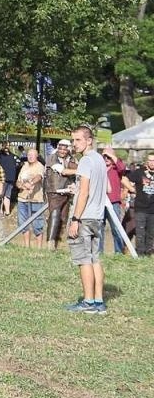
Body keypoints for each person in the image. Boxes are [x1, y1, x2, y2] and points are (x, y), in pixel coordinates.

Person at [64, 125, 108, 314]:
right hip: (98, 216)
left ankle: (88, 302)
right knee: (95, 259)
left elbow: (84, 193)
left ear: (89, 140)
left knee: (84, 260)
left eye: (78, 140)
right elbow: (104, 189)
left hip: (85, 216)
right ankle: (99, 302)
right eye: (73, 140)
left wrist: (75, 219)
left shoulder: (86, 161)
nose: (74, 144)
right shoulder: (100, 160)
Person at [14, 148, 46, 248]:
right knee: (23, 224)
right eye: (29, 155)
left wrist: (31, 183)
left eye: (32, 155)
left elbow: (39, 177)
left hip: (36, 200)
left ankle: (39, 248)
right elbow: (18, 181)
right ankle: (26, 246)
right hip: (22, 199)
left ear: (37, 156)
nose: (30, 157)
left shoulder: (39, 166)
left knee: (38, 224)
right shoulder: (24, 166)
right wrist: (22, 186)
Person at [127, 152, 154, 256]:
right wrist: (132, 189)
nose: (152, 163)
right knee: (140, 234)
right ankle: (140, 255)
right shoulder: (139, 172)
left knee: (151, 234)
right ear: (147, 161)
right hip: (141, 208)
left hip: (152, 209)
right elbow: (125, 179)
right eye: (150, 160)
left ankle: (148, 254)